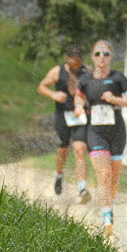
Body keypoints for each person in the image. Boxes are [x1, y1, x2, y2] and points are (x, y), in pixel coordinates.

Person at [73, 41, 127, 236]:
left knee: (114, 178)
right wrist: (78, 106)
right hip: (96, 132)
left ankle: (109, 203)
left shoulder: (118, 78)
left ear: (110, 57)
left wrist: (115, 99)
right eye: (98, 53)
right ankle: (107, 218)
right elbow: (79, 96)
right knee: (104, 175)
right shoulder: (85, 79)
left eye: (106, 53)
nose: (102, 57)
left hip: (117, 132)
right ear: (92, 57)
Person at [37, 44, 91, 203]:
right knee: (63, 150)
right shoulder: (57, 71)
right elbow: (41, 87)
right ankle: (59, 175)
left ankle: (82, 188)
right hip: (62, 116)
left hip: (79, 116)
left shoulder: (86, 71)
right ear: (67, 60)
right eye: (72, 63)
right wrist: (53, 94)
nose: (75, 66)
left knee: (80, 149)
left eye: (78, 63)